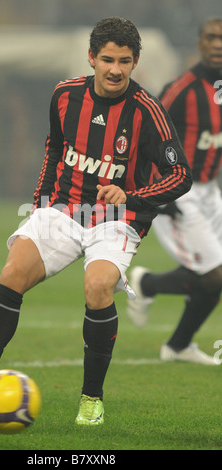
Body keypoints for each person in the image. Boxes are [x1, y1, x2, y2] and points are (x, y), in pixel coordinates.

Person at [0, 17, 192, 425]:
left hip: (116, 218)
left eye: (124, 61)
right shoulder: (65, 95)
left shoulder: (148, 110)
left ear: (135, 62)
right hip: (64, 209)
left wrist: (133, 196)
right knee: (12, 272)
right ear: (91, 58)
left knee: (98, 286)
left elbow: (181, 176)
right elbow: (55, 147)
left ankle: (91, 400)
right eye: (107, 59)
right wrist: (41, 201)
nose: (115, 69)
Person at [127, 17, 222, 365]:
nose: (217, 44)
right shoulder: (182, 88)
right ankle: (149, 288)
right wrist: (158, 194)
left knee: (216, 276)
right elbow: (147, 135)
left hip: (211, 191)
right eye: (211, 37)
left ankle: (177, 343)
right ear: (199, 43)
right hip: (179, 192)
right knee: (214, 275)